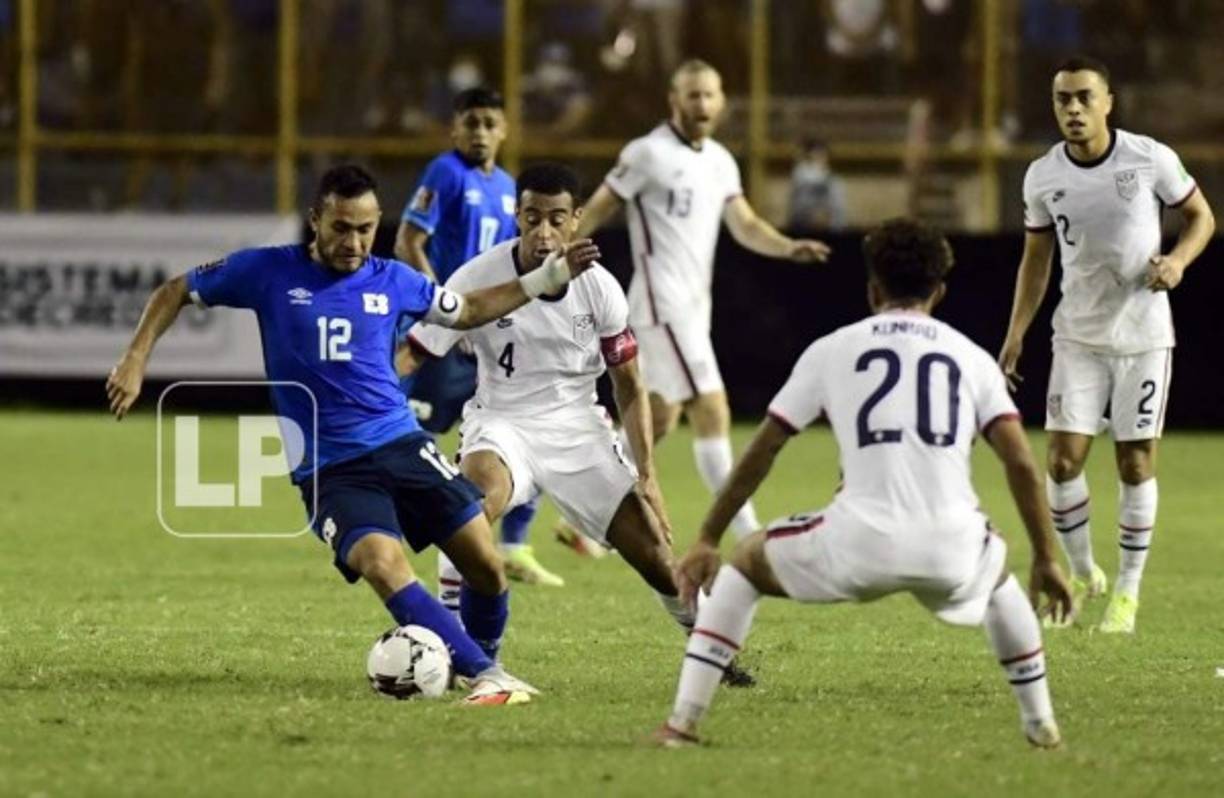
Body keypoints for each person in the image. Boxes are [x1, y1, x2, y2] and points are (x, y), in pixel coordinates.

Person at [106, 164, 600, 705]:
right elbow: (177, 289)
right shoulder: (266, 271)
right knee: (383, 564)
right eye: (341, 227)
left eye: (365, 229)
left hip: (403, 444)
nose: (354, 241)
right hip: (330, 467)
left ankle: (478, 664)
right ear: (315, 220)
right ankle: (488, 675)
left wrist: (543, 281)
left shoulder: (394, 278)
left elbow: (471, 309)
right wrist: (135, 358)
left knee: (484, 563)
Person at [650, 218, 1074, 749]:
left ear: (873, 289)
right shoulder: (971, 358)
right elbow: (1019, 463)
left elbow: (764, 449)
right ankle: (1041, 726)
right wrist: (1048, 556)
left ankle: (683, 723)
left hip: (856, 543)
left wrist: (709, 537)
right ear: (939, 292)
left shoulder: (833, 349)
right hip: (952, 548)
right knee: (1001, 578)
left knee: (744, 563)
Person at [399, 163, 755, 687]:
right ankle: (456, 646)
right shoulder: (477, 277)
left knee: (655, 555)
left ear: (576, 221)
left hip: (579, 432)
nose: (543, 233)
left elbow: (630, 386)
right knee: (467, 513)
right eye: (532, 218)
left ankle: (712, 653)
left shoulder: (601, 290)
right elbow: (417, 351)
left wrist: (647, 474)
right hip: (502, 423)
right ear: (516, 216)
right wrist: (371, 394)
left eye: (556, 219)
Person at [998, 56, 1215, 633]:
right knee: (1063, 461)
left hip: (1143, 337)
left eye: (1084, 98)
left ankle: (1127, 593)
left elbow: (1201, 217)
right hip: (1077, 336)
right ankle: (1083, 572)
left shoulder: (1149, 158)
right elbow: (1035, 260)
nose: (1073, 109)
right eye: (1062, 99)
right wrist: (1016, 331)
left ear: (1108, 102)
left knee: (1135, 462)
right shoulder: (1042, 176)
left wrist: (1178, 261)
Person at [576, 59, 831, 544]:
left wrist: (788, 247)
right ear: (674, 100)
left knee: (662, 414)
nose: (703, 104)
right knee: (712, 408)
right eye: (693, 95)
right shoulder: (647, 153)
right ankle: (747, 532)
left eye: (710, 95)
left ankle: (588, 519)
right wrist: (555, 256)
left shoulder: (718, 160)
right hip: (660, 305)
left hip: (693, 309)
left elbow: (746, 226)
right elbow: (601, 207)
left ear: (722, 101)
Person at [393, 87, 562, 591]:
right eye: (471, 123)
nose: (480, 133)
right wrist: (448, 312)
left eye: (490, 123)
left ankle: (514, 547)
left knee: (528, 431)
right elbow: (408, 241)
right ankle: (397, 527)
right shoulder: (445, 172)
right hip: (447, 332)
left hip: (493, 337)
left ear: (505, 130)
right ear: (454, 129)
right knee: (413, 435)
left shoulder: (512, 188)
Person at [787, 137, 848, 232]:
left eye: (822, 155)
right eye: (815, 155)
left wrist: (828, 217)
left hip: (830, 232)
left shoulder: (834, 181)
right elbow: (798, 208)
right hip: (803, 229)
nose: (819, 158)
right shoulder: (800, 174)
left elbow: (839, 212)